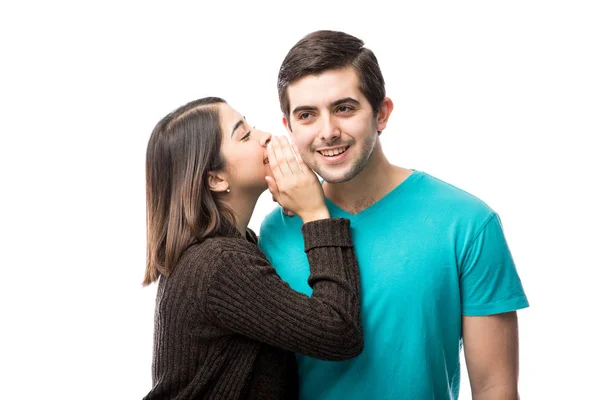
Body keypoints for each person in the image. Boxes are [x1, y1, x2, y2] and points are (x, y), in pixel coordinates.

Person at [259, 30, 529, 399]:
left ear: (381, 113)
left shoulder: (467, 223)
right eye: (307, 115)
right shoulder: (275, 231)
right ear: (289, 127)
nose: (328, 132)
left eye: (344, 108)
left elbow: (495, 388)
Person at [142, 96, 363, 399]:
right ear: (216, 179)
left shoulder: (232, 245)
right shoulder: (219, 263)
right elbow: (339, 332)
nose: (266, 138)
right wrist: (314, 214)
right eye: (244, 135)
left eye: (252, 127)